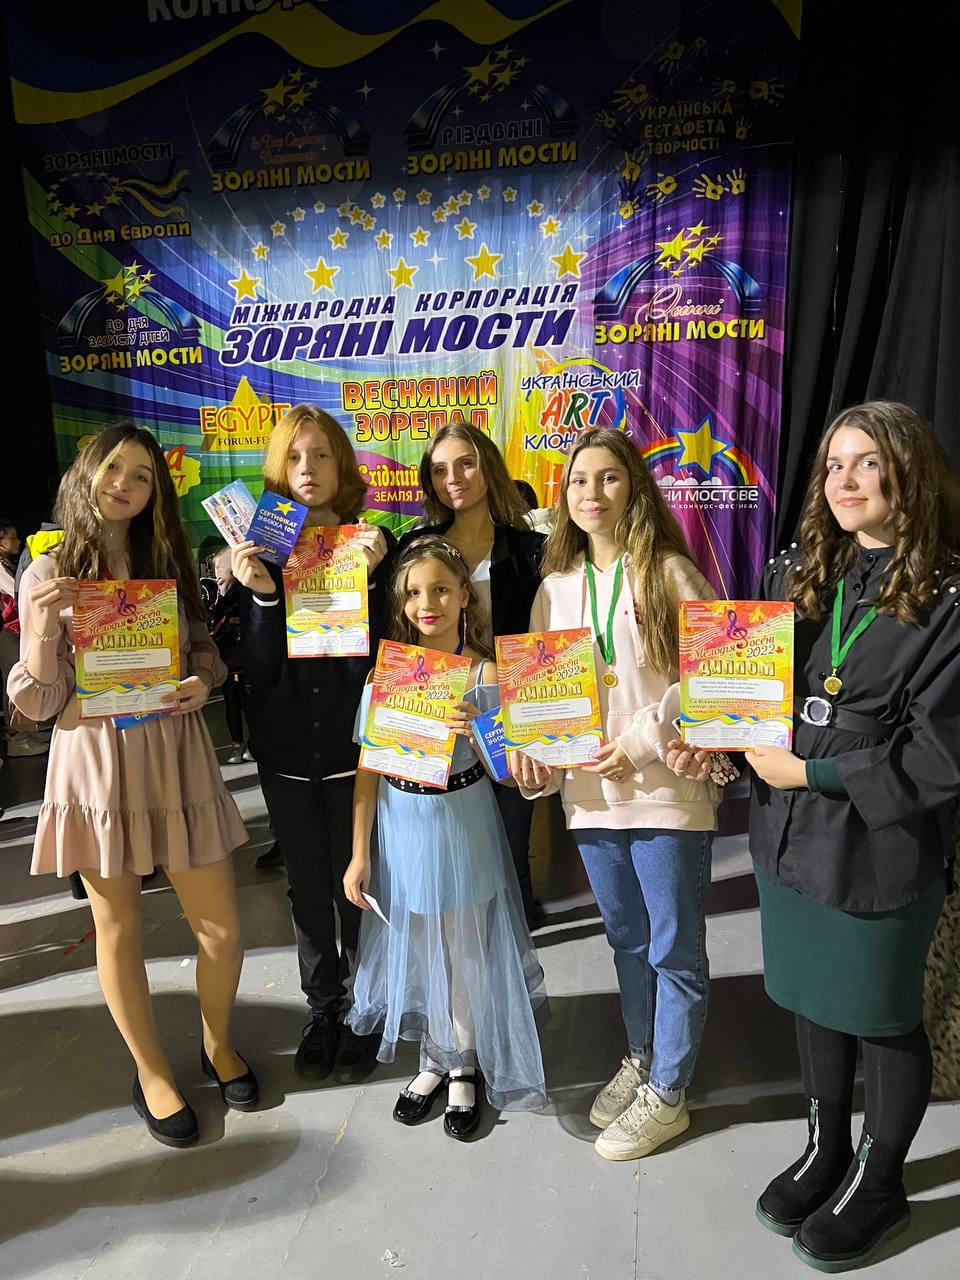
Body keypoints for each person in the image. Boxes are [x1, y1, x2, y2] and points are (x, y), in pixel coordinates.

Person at [741, 402, 960, 1271]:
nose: (844, 481)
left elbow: (940, 755)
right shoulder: (799, 571)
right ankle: (826, 1147)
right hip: (786, 834)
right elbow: (750, 687)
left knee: (880, 1013)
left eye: (867, 462)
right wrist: (711, 734)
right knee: (811, 995)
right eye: (833, 465)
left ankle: (880, 1181)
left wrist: (814, 774)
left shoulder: (950, 597)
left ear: (910, 471)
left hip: (877, 842)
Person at [7, 424, 256, 1147]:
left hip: (175, 753)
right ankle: (151, 1073)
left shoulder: (166, 560)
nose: (124, 483)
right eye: (113, 467)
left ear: (156, 492)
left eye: (142, 475)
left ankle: (216, 1043)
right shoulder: (47, 570)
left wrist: (200, 679)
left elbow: (205, 650)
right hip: (95, 763)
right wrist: (38, 633)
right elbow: (38, 704)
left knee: (222, 929)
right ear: (86, 473)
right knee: (116, 929)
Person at [510, 427, 721, 1161]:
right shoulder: (555, 589)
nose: (591, 492)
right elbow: (541, 699)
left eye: (608, 477)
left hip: (666, 792)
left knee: (673, 948)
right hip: (589, 799)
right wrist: (536, 757)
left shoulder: (669, 573)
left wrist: (639, 740)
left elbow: (715, 675)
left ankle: (670, 1091)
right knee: (627, 940)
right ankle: (642, 1054)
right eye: (578, 480)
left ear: (634, 487)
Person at [344, 536, 546, 1137]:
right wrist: (359, 852)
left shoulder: (485, 673)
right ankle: (434, 1056)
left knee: (462, 947)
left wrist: (480, 729)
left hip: (461, 819)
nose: (426, 603)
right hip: (402, 822)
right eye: (413, 592)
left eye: (439, 589)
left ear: (464, 595)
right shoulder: (389, 674)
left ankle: (464, 1062)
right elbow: (368, 768)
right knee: (418, 941)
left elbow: (510, 772)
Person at [232, 403, 393, 1084]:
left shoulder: (374, 544)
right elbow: (256, 672)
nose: (308, 468)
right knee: (306, 889)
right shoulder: (257, 554)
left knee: (360, 883)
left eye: (321, 453)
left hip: (357, 755)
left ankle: (366, 1008)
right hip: (289, 756)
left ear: (341, 464)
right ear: (278, 467)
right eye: (294, 456)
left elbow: (387, 661)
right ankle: (322, 1009)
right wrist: (263, 598)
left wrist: (373, 579)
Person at [401, 422, 545, 924]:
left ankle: (516, 961)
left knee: (510, 850)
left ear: (488, 467)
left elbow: (549, 642)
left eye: (466, 464)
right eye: (440, 469)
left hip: (506, 722)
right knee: (453, 867)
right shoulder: (416, 547)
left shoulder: (532, 551)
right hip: (437, 723)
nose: (454, 479)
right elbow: (398, 633)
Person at [209, 545, 252, 764]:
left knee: (243, 702)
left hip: (241, 658)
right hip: (228, 659)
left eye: (220, 568)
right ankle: (238, 745)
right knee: (233, 703)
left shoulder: (241, 591)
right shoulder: (220, 595)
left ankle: (247, 745)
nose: (216, 574)